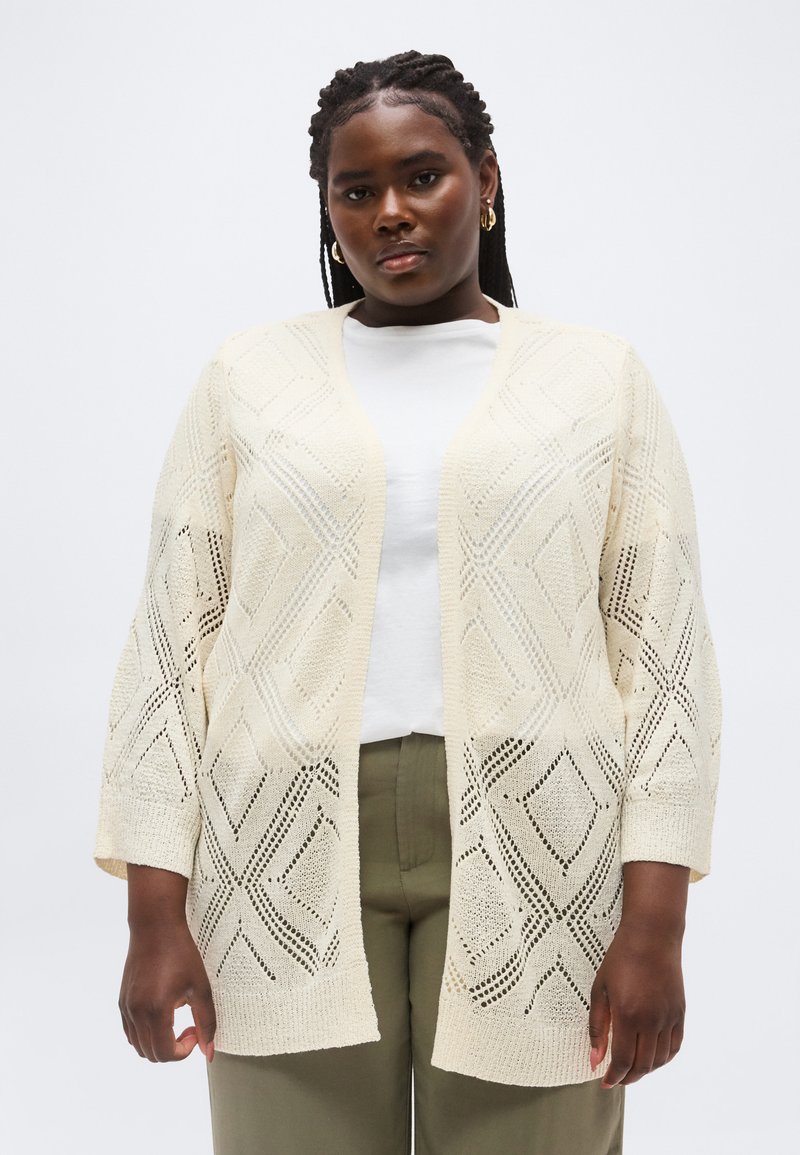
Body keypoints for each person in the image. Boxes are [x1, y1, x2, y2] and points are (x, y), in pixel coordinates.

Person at [93, 49, 722, 1155]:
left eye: (422, 176)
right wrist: (154, 916)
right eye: (356, 190)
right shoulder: (248, 379)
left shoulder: (598, 380)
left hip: (545, 842)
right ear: (329, 210)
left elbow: (664, 664)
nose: (389, 211)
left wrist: (655, 925)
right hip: (276, 841)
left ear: (485, 179)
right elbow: (168, 653)